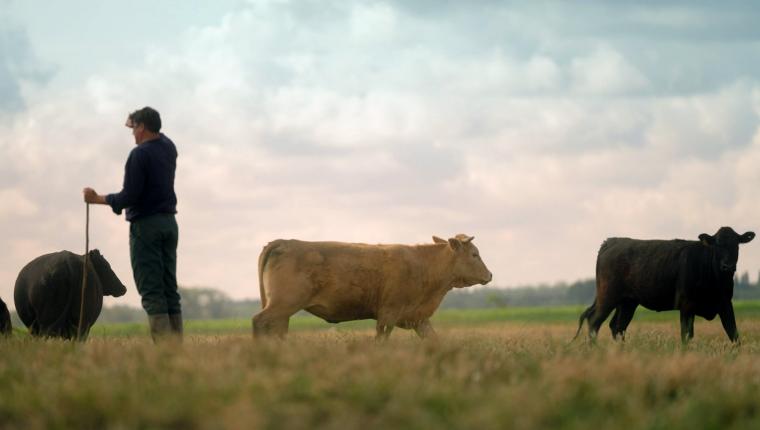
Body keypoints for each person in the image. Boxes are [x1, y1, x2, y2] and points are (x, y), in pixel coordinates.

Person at [83, 106, 182, 342]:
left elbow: (129, 196)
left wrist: (97, 199)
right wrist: (139, 118)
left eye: (134, 128)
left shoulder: (139, 155)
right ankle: (177, 345)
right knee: (169, 287)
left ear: (143, 128)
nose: (132, 134)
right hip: (169, 223)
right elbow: (160, 135)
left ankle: (164, 349)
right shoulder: (168, 148)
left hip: (146, 226)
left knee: (151, 288)